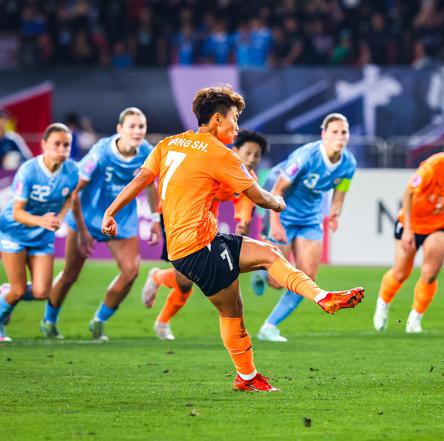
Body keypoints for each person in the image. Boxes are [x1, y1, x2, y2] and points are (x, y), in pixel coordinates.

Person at [101, 85, 364, 392]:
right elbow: (259, 197)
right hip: (198, 248)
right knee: (232, 312)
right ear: (217, 119)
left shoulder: (169, 143)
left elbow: (141, 180)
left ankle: (321, 298)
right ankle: (248, 377)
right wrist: (278, 202)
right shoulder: (220, 154)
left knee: (269, 254)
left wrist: (111, 212)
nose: (237, 127)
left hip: (198, 241)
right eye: (234, 119)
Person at [41, 107, 160, 341]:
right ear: (120, 129)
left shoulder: (147, 152)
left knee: (131, 271)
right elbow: (74, 191)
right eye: (132, 126)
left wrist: (155, 219)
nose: (137, 131)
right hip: (87, 217)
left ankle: (99, 321)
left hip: (119, 220)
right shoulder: (100, 153)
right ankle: (49, 320)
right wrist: (82, 231)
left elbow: (150, 185)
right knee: (70, 274)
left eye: (141, 127)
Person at [141, 129, 268, 341]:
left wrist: (243, 222)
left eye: (257, 155)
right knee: (185, 281)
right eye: (248, 153)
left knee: (188, 280)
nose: (252, 159)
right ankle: (157, 279)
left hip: (206, 218)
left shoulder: (247, 177)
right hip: (178, 213)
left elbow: (245, 202)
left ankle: (162, 320)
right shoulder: (218, 159)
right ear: (235, 151)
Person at [252, 113, 357, 343]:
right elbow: (277, 189)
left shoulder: (349, 163)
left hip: (310, 218)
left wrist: (335, 214)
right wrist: (275, 223)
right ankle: (261, 271)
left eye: (344, 132)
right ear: (324, 135)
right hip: (283, 213)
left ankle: (269, 327)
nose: (340, 136)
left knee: (307, 277)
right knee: (276, 282)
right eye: (335, 132)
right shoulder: (306, 157)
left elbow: (339, 195)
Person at [373, 123, 444, 333]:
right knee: (400, 274)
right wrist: (408, 229)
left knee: (430, 273)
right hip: (412, 223)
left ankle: (414, 320)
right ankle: (383, 303)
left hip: (442, 225)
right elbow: (408, 192)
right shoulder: (433, 166)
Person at [0, 123, 79, 342]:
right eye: (57, 144)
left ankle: (5, 292)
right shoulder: (28, 171)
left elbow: (69, 198)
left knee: (42, 292)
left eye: (66, 145)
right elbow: (17, 212)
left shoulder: (72, 171)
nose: (62, 149)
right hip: (14, 231)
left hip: (41, 235)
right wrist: (42, 221)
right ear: (44, 144)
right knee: (18, 291)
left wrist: (60, 217)